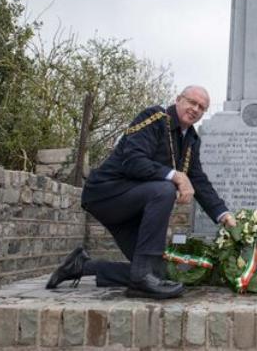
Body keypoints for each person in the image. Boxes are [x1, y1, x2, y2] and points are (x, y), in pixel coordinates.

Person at [46, 85, 236, 299]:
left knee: (162, 272)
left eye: (201, 107)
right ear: (178, 99)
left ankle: (82, 266)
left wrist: (224, 215)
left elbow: (198, 180)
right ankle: (142, 279)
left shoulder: (191, 140)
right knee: (165, 189)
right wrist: (176, 176)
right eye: (192, 102)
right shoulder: (154, 118)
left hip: (133, 212)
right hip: (107, 194)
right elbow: (133, 161)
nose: (195, 109)